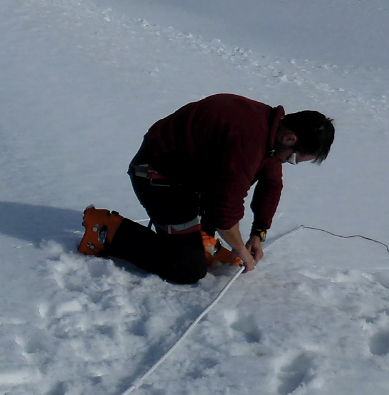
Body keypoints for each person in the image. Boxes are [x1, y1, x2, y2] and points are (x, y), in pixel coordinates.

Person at [78, 94, 334, 284]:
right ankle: (107, 231)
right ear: (290, 138)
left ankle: (195, 237)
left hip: (189, 179)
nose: (287, 162)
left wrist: (259, 232)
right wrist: (240, 249)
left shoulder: (269, 131)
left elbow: (271, 183)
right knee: (188, 269)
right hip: (157, 176)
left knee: (202, 238)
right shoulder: (247, 140)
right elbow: (226, 212)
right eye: (293, 158)